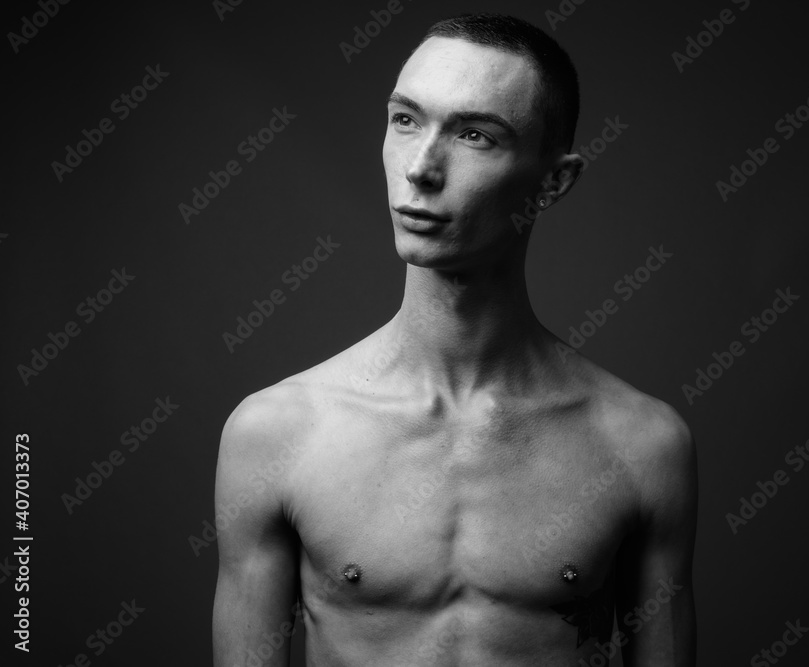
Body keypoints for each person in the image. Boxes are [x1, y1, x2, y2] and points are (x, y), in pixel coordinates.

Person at [213, 13, 697, 666]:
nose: (419, 167)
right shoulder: (275, 433)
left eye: (474, 134)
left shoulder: (641, 445)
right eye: (405, 119)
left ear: (554, 180)